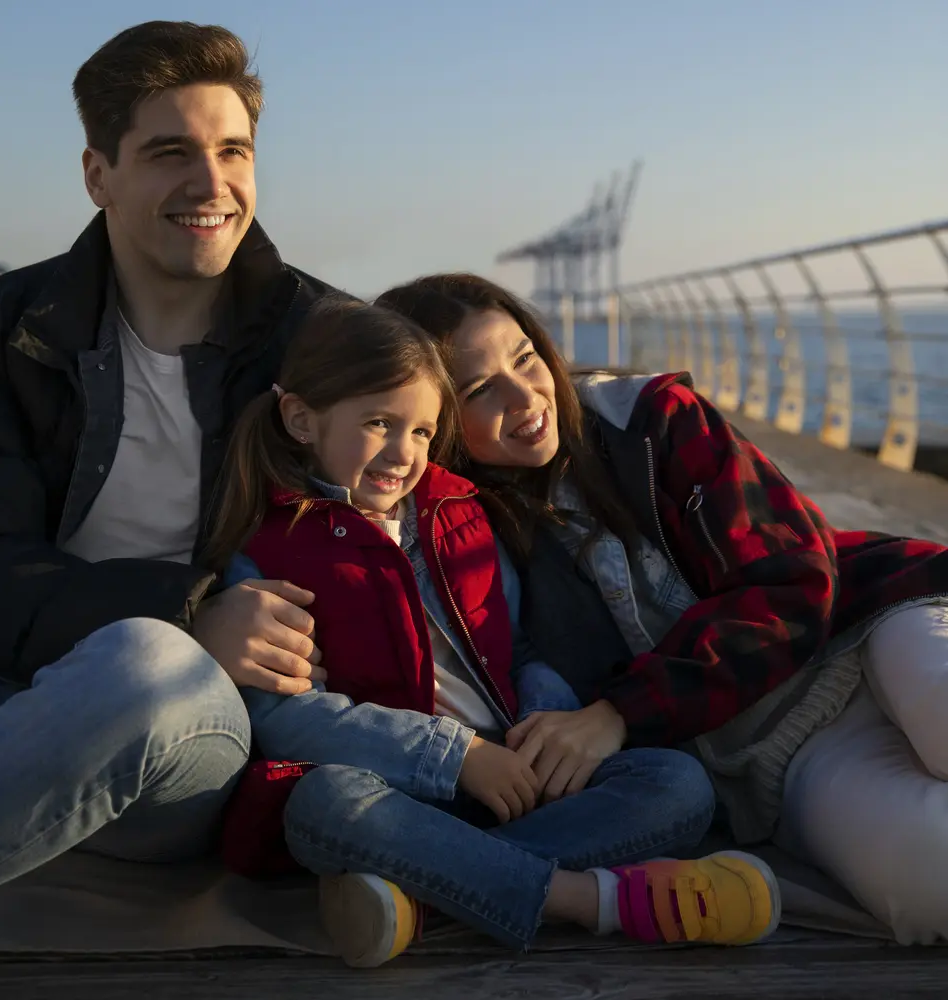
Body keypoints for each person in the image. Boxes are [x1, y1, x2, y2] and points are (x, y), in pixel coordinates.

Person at [201, 295, 782, 967]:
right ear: (301, 418)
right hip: (400, 794)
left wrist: (541, 727)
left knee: (677, 783)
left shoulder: (461, 514)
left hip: (512, 779)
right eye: (379, 424)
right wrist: (456, 759)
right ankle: (593, 901)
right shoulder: (272, 552)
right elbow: (287, 717)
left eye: (421, 431)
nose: (403, 453)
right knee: (321, 804)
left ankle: (424, 896)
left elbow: (522, 648)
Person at [374, 272, 948, 946]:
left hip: (864, 627)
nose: (525, 396)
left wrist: (622, 713)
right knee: (929, 880)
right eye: (478, 389)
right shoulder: (459, 534)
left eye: (525, 358)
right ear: (434, 416)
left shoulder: (649, 420)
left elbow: (791, 581)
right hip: (771, 760)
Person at [0, 21, 337, 905]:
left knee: (142, 666)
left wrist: (188, 635)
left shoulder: (321, 345)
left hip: (193, 729)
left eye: (233, 151)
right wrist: (190, 609)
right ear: (99, 176)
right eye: (170, 153)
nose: (212, 185)